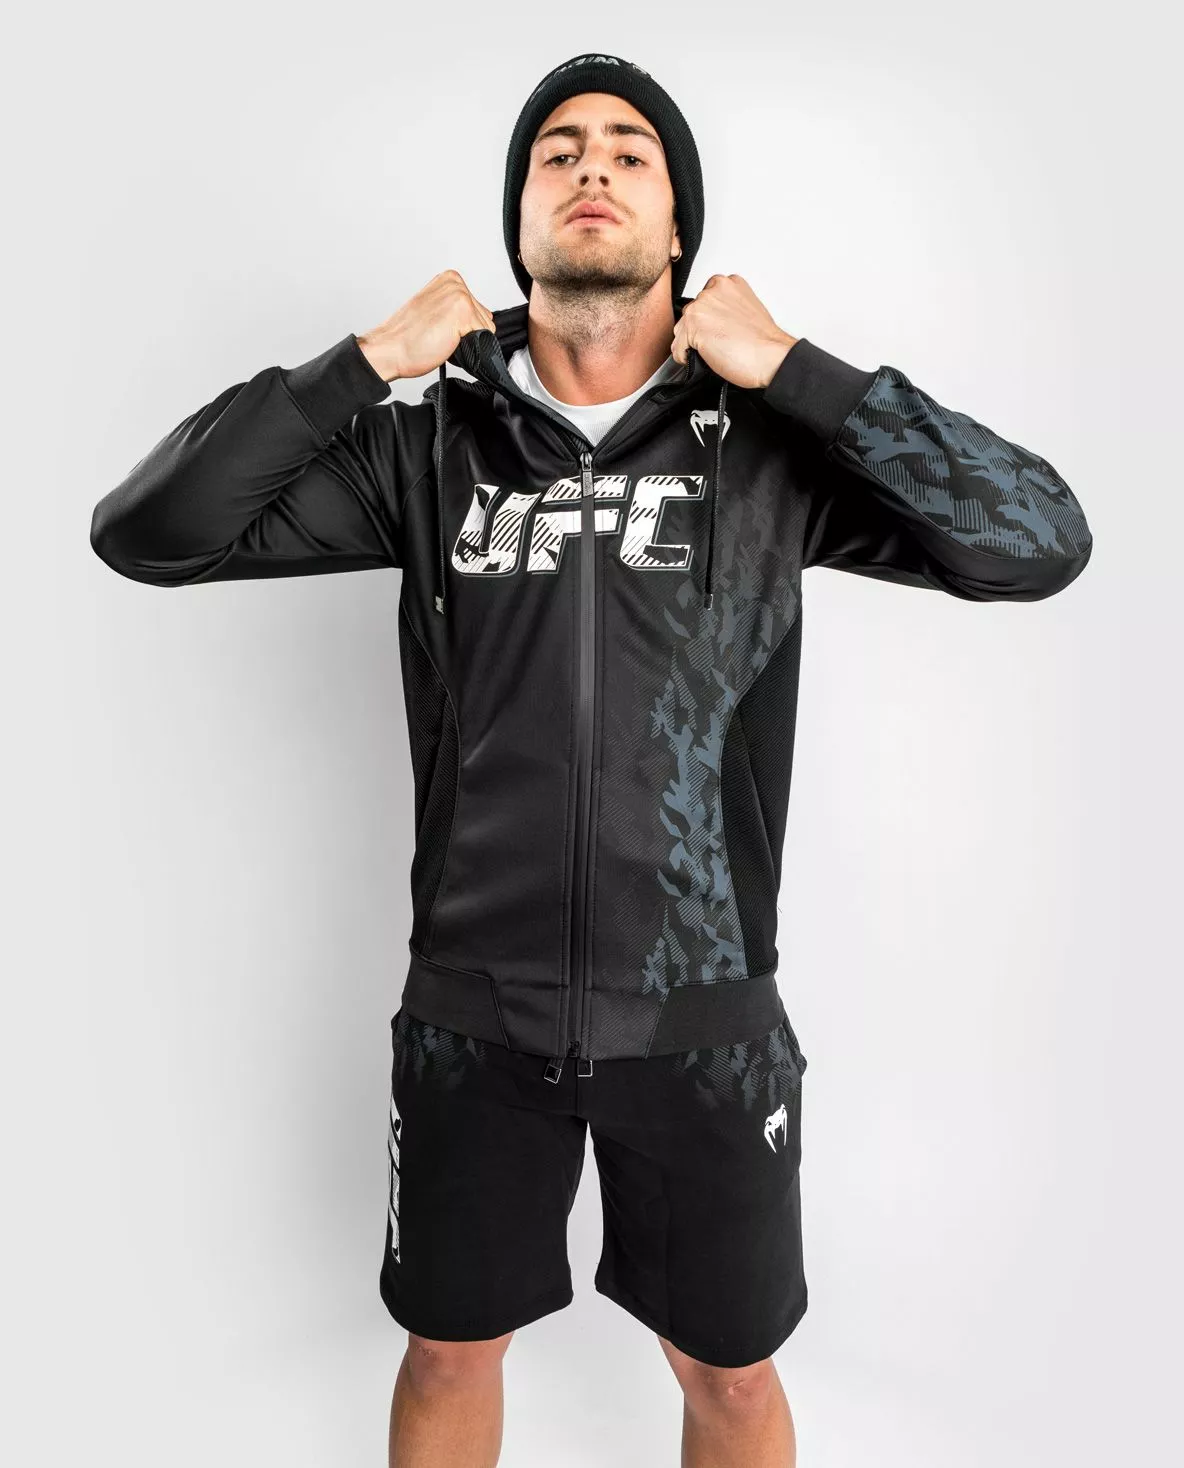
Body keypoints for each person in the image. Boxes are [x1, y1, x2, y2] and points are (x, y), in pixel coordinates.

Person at [89, 49, 1092, 1468]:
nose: (592, 170)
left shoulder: (770, 450)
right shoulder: (427, 451)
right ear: (521, 224)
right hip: (472, 1014)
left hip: (706, 1026)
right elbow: (148, 532)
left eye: (631, 152)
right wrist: (362, 365)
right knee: (448, 1351)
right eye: (558, 153)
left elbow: (1039, 540)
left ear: (679, 227)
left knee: (731, 1379)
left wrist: (800, 374)